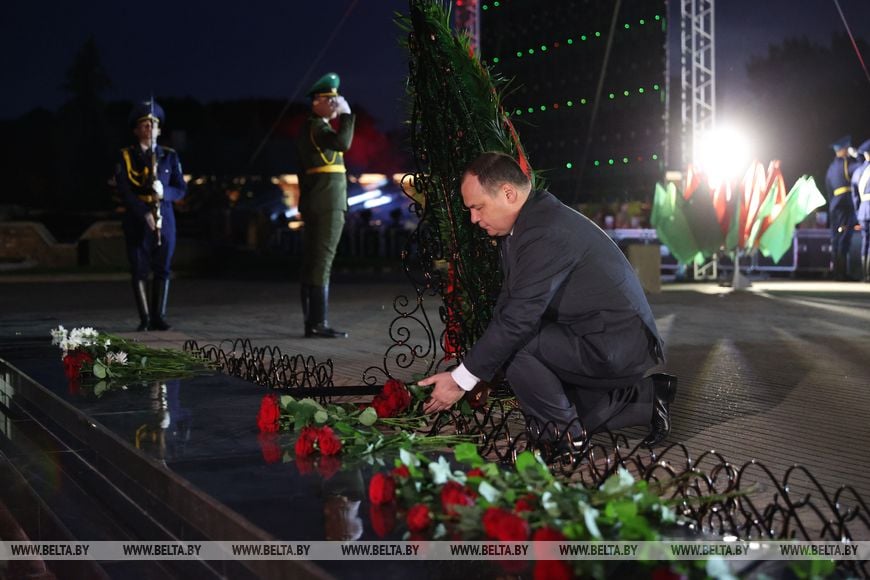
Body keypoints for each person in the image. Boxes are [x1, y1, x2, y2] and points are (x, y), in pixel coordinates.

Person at [420, 152, 676, 448]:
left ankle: (564, 439)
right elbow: (509, 303)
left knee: (518, 344)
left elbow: (517, 320)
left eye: (477, 207)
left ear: (508, 193)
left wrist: (460, 380)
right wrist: (480, 376)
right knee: (554, 399)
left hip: (615, 344)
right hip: (590, 335)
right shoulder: (528, 223)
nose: (474, 219)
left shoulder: (545, 230)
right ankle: (648, 398)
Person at [116, 99, 187, 331]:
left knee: (163, 267)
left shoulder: (169, 156)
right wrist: (143, 212)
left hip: (165, 216)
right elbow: (125, 190)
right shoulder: (126, 156)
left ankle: (159, 317)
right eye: (144, 124)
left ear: (159, 129)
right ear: (136, 130)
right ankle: (145, 318)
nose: (149, 129)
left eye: (152, 125)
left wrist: (164, 192)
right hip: (138, 218)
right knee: (139, 268)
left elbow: (181, 189)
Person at [295, 72, 355, 338]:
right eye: (330, 100)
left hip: (318, 201)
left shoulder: (314, 128)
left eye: (336, 101)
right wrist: (347, 115)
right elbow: (343, 143)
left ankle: (312, 321)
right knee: (322, 262)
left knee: (314, 261)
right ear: (316, 102)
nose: (334, 105)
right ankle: (317, 322)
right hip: (328, 203)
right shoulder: (317, 127)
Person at [825, 135, 859, 281]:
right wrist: (857, 155)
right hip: (846, 205)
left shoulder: (831, 168)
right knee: (845, 238)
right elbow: (862, 168)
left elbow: (828, 189)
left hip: (834, 205)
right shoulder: (847, 164)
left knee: (836, 238)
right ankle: (842, 273)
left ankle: (836, 272)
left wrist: (833, 204)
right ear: (845, 150)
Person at [851, 139, 870, 282]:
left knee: (866, 241)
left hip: (863, 210)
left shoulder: (857, 171)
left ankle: (865, 274)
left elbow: (855, 196)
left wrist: (858, 211)